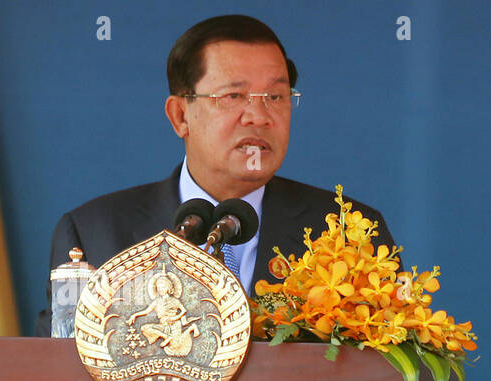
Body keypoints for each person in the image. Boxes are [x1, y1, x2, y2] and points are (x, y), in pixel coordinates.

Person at [37, 14, 394, 335]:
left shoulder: (349, 232)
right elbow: (54, 378)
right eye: (234, 95)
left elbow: (391, 377)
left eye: (276, 95)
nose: (259, 115)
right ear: (180, 116)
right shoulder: (94, 234)